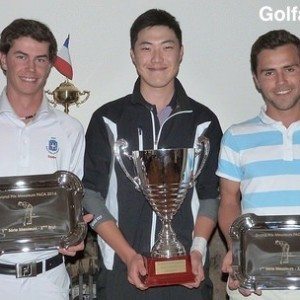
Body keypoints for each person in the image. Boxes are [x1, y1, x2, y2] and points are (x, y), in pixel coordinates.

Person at [83, 8, 222, 300]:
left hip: (188, 274)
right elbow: (90, 195)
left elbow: (211, 194)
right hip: (121, 272)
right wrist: (129, 255)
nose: (157, 59)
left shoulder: (203, 120)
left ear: (181, 53)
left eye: (167, 47)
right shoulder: (107, 119)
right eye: (146, 48)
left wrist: (197, 252)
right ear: (133, 55)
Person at [0, 19, 91, 300]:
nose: (31, 69)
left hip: (49, 282)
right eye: (21, 57)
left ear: (51, 65)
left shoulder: (70, 130)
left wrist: (77, 232)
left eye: (41, 59)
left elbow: (73, 202)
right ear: (3, 60)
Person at [217, 29, 300, 300]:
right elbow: (229, 202)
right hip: (255, 286)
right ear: (256, 80)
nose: (281, 81)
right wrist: (238, 251)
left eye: (289, 69)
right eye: (269, 72)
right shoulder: (236, 137)